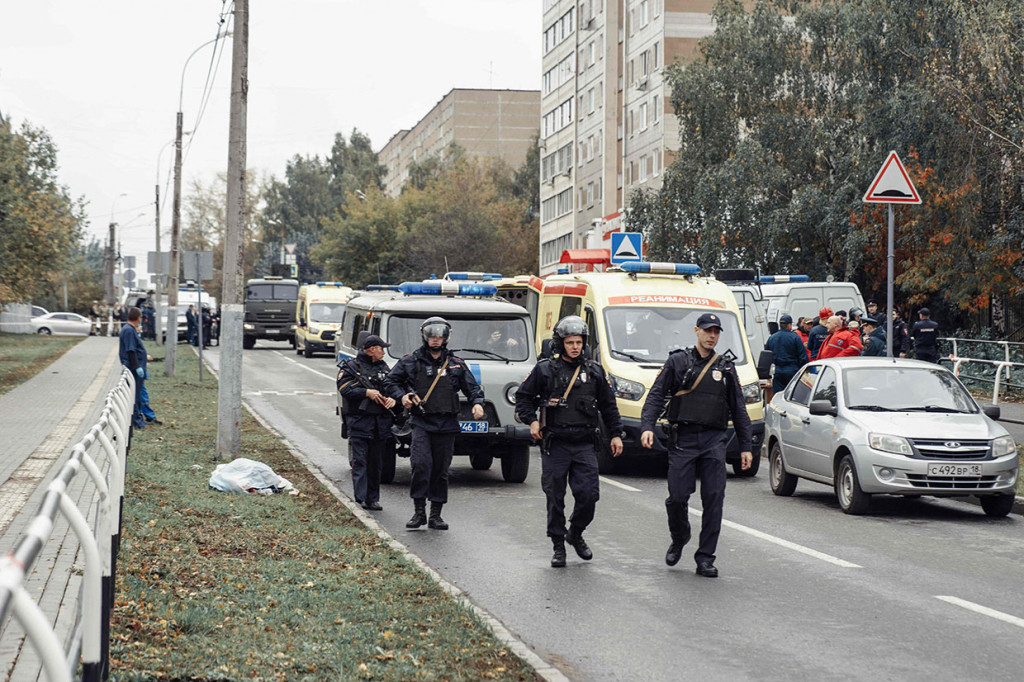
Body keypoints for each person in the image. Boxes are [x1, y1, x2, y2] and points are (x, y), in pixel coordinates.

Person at [639, 312, 753, 578]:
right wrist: (647, 426)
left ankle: (705, 558)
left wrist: (746, 446)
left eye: (716, 332)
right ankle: (680, 536)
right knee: (677, 497)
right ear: (696, 331)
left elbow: (739, 409)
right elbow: (656, 395)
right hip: (684, 439)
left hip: (713, 440)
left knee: (714, 499)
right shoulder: (678, 361)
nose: (712, 336)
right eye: (707, 330)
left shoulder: (725, 367)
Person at [514, 315, 624, 568]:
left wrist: (616, 434)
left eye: (579, 342)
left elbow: (609, 406)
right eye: (570, 342)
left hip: (585, 443)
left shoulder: (594, 371)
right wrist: (532, 421)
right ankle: (558, 545)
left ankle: (575, 532)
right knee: (555, 497)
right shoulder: (544, 370)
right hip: (556, 444)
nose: (575, 347)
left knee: (589, 496)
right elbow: (523, 398)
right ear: (560, 343)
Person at [385, 316, 485, 531]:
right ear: (425, 337)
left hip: (447, 424)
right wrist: (402, 396)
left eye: (440, 336)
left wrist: (477, 403)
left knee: (441, 470)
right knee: (421, 465)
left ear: (446, 338)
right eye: (432, 336)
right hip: (422, 422)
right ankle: (419, 512)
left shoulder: (456, 364)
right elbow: (390, 381)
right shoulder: (411, 361)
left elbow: (472, 388)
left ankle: (435, 515)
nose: (436, 339)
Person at [338, 334, 396, 511]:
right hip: (360, 422)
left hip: (380, 424)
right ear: (372, 350)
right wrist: (366, 393)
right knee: (360, 462)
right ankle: (361, 498)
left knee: (375, 463)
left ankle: (373, 499)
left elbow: (393, 386)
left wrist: (393, 398)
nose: (384, 352)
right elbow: (344, 389)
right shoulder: (352, 367)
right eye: (381, 348)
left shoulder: (384, 368)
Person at [118, 306, 152, 430]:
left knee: (137, 394)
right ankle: (137, 421)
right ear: (138, 318)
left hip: (134, 367)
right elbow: (131, 350)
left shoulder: (130, 329)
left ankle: (138, 419)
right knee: (135, 395)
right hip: (133, 368)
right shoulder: (129, 330)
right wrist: (137, 366)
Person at [764, 314, 807, 393]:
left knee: (778, 394)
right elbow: (802, 357)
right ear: (789, 325)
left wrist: (767, 374)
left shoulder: (772, 338)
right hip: (792, 371)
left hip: (778, 371)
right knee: (792, 394)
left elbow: (767, 356)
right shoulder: (795, 337)